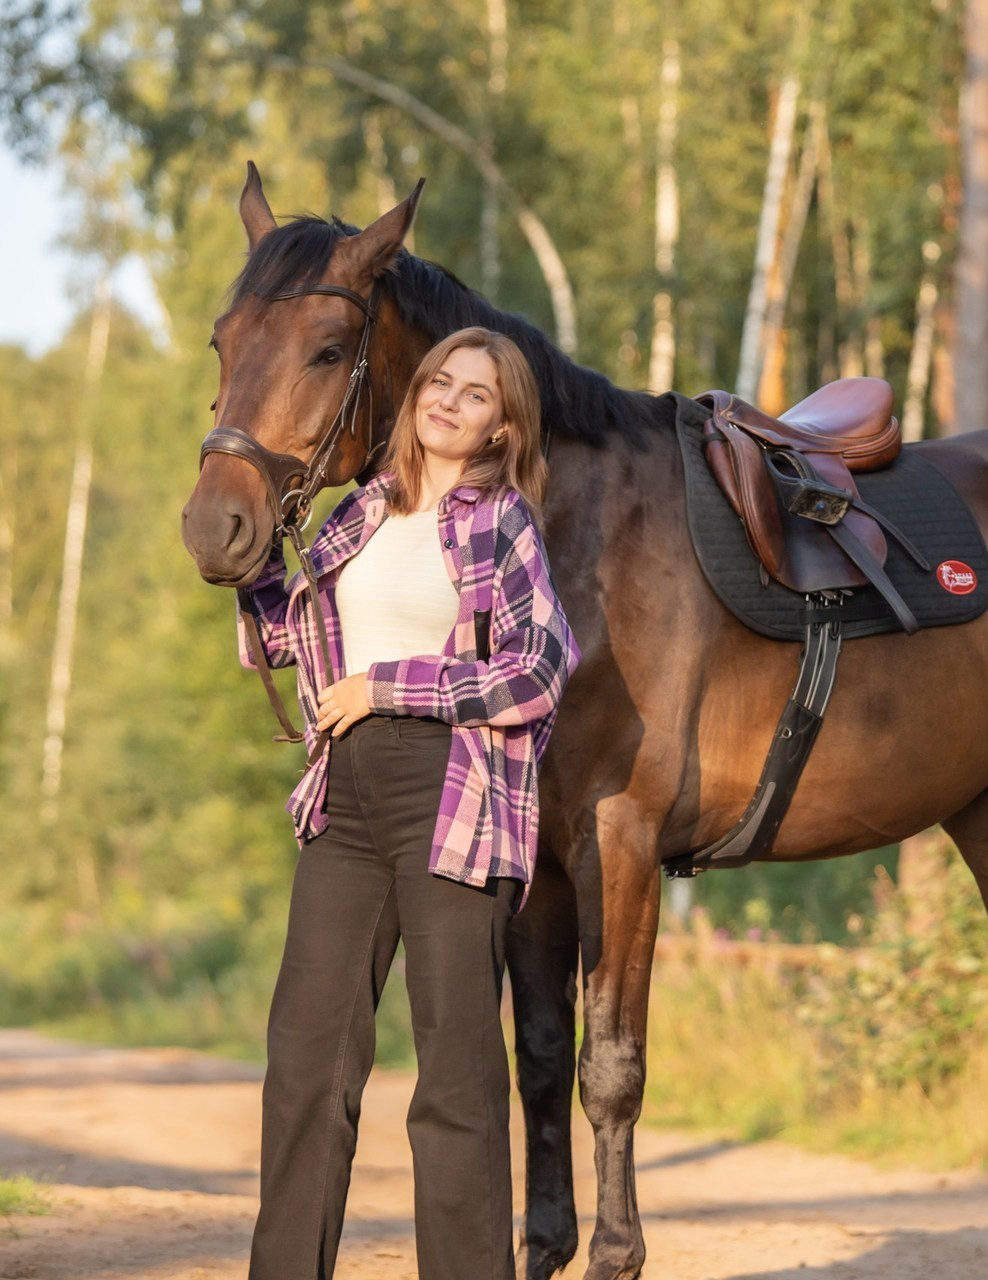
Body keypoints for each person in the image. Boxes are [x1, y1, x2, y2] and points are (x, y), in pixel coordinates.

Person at [235, 326, 579, 1280]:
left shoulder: (502, 522)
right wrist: (243, 554)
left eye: (476, 394)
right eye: (439, 381)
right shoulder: (361, 509)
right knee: (306, 1061)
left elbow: (539, 670)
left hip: (452, 795)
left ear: (502, 427)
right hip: (344, 799)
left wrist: (391, 685)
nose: (447, 401)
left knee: (456, 1073)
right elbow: (286, 635)